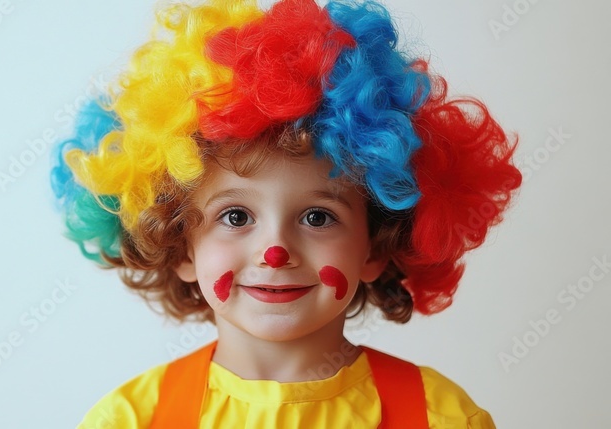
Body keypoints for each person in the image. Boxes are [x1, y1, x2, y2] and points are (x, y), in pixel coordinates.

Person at [49, 0, 521, 427]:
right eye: (236, 217)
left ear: (376, 246)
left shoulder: (441, 418)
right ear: (180, 247)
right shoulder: (132, 420)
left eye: (317, 217)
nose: (275, 251)